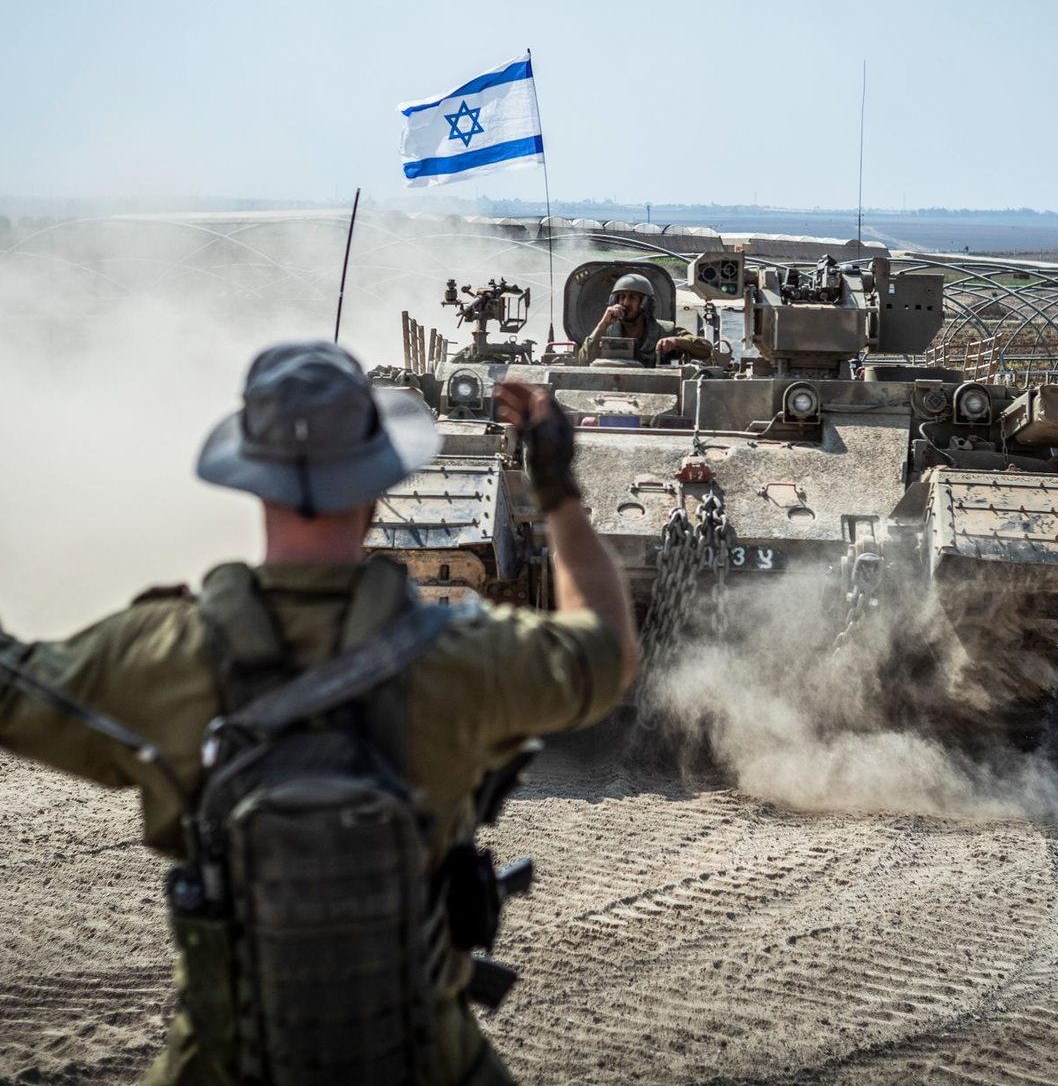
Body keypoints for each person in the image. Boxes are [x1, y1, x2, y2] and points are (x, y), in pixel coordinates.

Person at [0, 340, 637, 1086]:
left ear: (253, 478)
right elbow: (606, 651)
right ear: (378, 486)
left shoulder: (165, 652)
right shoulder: (462, 654)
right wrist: (557, 490)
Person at [576, 272, 712, 366]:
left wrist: (677, 341)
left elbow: (705, 348)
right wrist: (602, 325)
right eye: (621, 297)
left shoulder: (664, 330)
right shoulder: (605, 332)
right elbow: (582, 361)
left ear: (646, 303)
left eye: (632, 297)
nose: (625, 303)